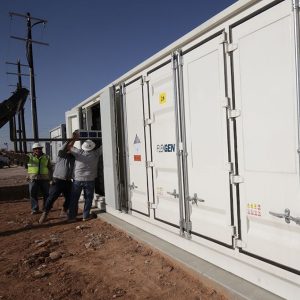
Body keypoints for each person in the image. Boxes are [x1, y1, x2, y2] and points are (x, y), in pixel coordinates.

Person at [39, 138, 75, 224]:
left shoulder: (73, 157)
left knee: (70, 198)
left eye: (71, 148)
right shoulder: (61, 154)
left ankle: (64, 211)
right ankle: (45, 213)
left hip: (68, 181)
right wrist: (73, 139)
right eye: (69, 148)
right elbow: (65, 146)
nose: (70, 149)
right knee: (51, 198)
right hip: (58, 180)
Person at [67, 131, 102, 221]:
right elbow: (105, 145)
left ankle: (72, 217)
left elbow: (69, 147)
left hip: (77, 179)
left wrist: (74, 138)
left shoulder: (78, 153)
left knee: (74, 199)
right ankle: (85, 216)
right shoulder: (96, 154)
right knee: (88, 198)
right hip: (90, 179)